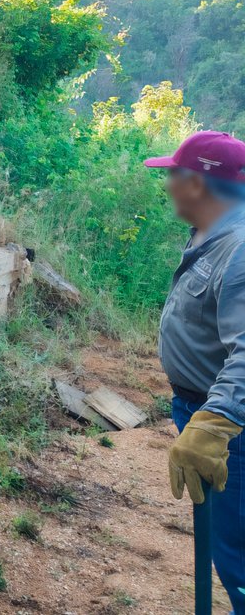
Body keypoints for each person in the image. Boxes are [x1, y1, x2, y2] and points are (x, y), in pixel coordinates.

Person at [146, 130, 245, 611]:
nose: (166, 184)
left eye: (173, 175)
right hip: (198, 405)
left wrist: (214, 422)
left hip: (231, 430)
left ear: (198, 184)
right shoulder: (214, 230)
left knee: (236, 549)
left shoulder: (241, 247)